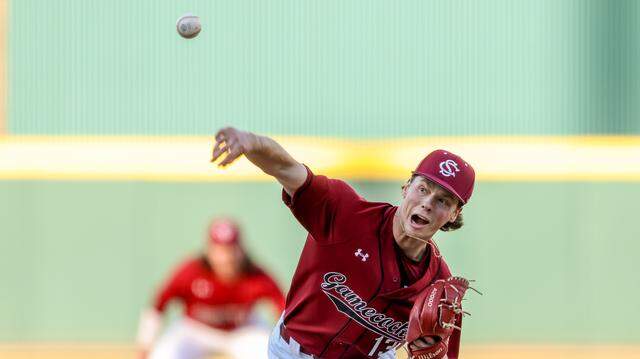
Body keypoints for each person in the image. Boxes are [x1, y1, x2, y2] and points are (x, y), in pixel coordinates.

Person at [211, 127, 475, 359]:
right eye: (423, 188)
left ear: (453, 215)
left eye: (443, 200)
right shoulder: (345, 213)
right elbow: (285, 168)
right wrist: (251, 142)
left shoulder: (437, 286)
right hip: (294, 352)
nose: (427, 203)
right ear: (406, 187)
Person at [136, 218, 286, 359]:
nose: (226, 257)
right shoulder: (191, 272)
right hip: (195, 330)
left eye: (231, 249)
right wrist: (145, 343)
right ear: (209, 250)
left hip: (242, 330)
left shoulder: (255, 276)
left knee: (271, 355)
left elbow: (284, 309)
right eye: (220, 250)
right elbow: (160, 303)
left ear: (241, 250)